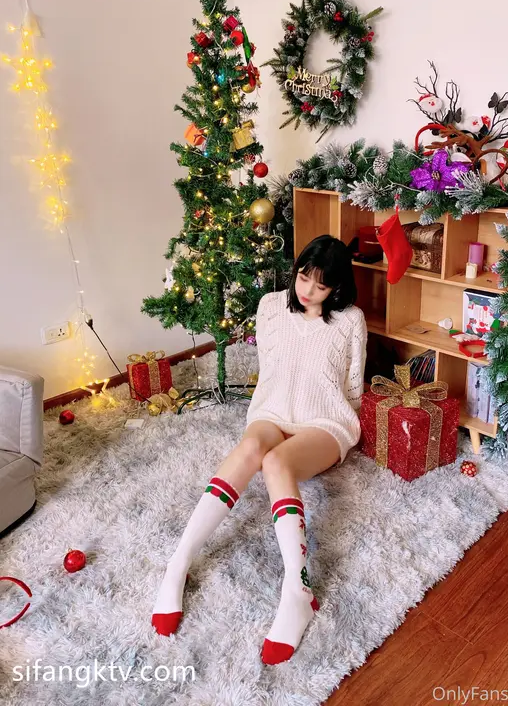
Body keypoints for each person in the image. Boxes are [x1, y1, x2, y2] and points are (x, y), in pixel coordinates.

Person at [151, 234, 368, 665]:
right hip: (272, 411)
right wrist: (275, 416)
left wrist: (327, 425)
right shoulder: (270, 307)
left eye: (320, 285)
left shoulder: (350, 321)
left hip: (325, 422)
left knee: (277, 461)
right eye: (303, 277)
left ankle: (297, 589)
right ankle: (179, 562)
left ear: (337, 288)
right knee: (253, 445)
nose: (307, 290)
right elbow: (269, 370)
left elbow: (353, 387)